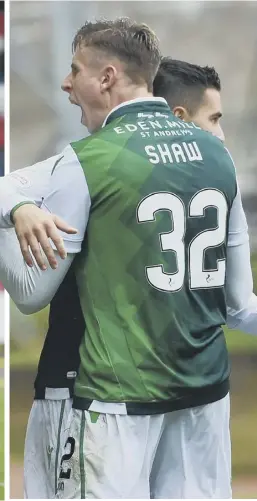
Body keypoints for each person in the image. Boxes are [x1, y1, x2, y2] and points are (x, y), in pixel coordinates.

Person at [1, 19, 257, 498]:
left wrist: (16, 212)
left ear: (107, 77)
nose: (65, 82)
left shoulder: (90, 159)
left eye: (74, 69)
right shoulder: (219, 157)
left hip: (117, 400)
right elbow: (241, 305)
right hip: (204, 399)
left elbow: (32, 293)